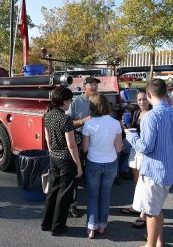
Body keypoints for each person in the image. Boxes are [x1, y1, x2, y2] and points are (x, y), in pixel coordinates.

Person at [126, 79, 173, 247]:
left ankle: (150, 245)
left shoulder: (150, 117)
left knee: (151, 211)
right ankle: (158, 242)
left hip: (154, 171)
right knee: (156, 208)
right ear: (166, 93)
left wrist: (131, 135)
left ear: (149, 95)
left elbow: (145, 147)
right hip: (170, 169)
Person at [41, 86, 83, 236]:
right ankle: (58, 227)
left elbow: (47, 138)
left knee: (52, 191)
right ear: (64, 101)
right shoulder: (66, 119)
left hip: (54, 157)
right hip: (66, 159)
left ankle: (46, 223)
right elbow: (71, 145)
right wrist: (78, 165)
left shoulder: (48, 115)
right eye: (70, 100)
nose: (70, 103)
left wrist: (52, 151)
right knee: (64, 194)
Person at [82, 93, 123, 239]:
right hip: (111, 163)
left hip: (93, 163)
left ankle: (91, 227)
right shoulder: (116, 123)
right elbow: (119, 149)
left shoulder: (89, 124)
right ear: (107, 105)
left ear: (92, 107)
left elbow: (85, 149)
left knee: (93, 196)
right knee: (105, 195)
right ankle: (102, 225)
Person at [66, 76, 100, 217]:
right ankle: (72, 204)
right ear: (84, 86)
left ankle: (95, 202)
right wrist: (83, 121)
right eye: (91, 84)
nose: (94, 87)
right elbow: (68, 123)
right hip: (79, 141)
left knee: (93, 172)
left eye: (96, 85)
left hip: (95, 142)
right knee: (76, 173)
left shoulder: (98, 101)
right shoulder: (75, 102)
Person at [120, 90, 152, 229]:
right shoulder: (136, 113)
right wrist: (125, 125)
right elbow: (132, 131)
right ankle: (137, 206)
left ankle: (143, 215)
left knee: (145, 183)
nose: (141, 102)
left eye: (144, 99)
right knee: (137, 182)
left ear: (149, 100)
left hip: (146, 152)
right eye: (139, 100)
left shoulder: (152, 115)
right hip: (135, 149)